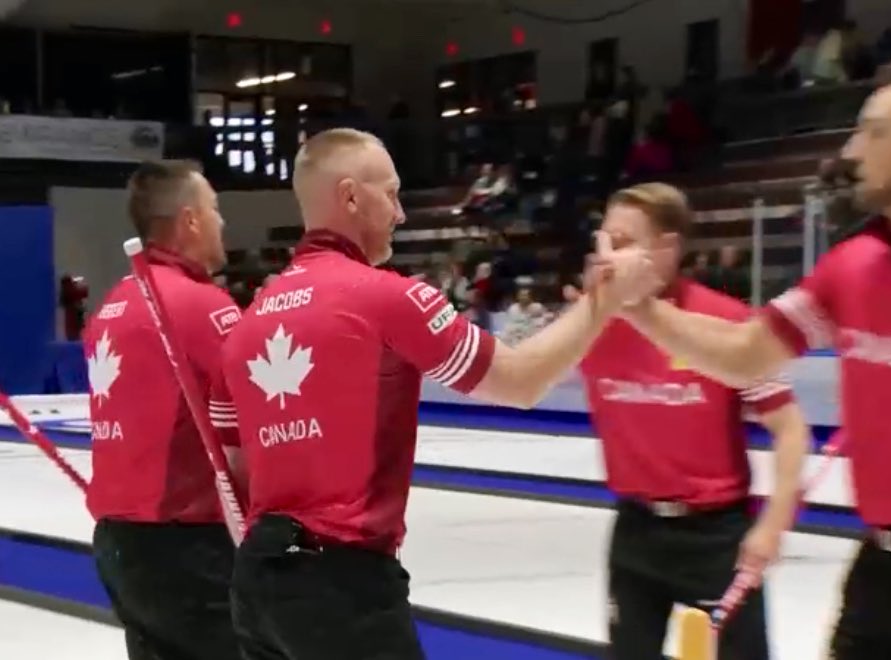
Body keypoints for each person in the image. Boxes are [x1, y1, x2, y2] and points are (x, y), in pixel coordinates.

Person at [221, 127, 651, 660]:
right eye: (391, 194)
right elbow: (519, 381)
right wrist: (602, 302)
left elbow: (235, 470)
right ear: (351, 196)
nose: (401, 214)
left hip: (257, 581)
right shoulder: (387, 298)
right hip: (342, 584)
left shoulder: (247, 324)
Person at [620, 59, 891, 660]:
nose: (853, 150)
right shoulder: (853, 264)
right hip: (879, 570)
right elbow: (743, 355)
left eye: (876, 132)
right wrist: (640, 308)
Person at [573, 183, 809, 660]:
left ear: (667, 248)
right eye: (604, 240)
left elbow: (790, 429)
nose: (606, 255)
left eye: (622, 242)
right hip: (636, 529)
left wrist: (772, 527)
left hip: (715, 537)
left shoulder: (727, 325)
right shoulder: (591, 321)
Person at [83, 160, 245, 660]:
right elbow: (255, 416)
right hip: (187, 542)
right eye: (215, 209)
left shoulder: (111, 307)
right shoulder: (203, 306)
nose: (222, 221)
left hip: (119, 541)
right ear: (190, 220)